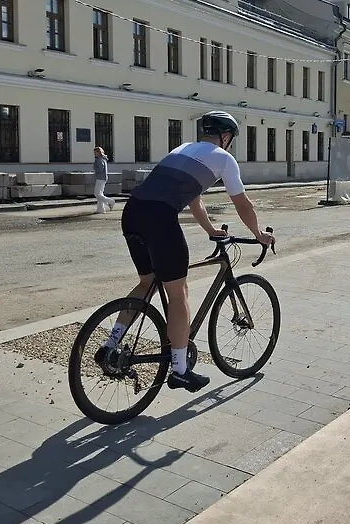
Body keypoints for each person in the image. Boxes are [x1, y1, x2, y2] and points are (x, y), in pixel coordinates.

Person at [99, 111, 274, 392]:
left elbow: (194, 199)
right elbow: (243, 204)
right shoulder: (223, 158)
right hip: (159, 218)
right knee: (178, 293)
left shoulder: (182, 149)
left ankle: (110, 345)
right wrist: (259, 234)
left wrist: (210, 229)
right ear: (226, 136)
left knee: (147, 282)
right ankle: (180, 370)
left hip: (132, 212)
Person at [93, 146, 117, 214]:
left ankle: (111, 201)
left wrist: (95, 167)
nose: (94, 154)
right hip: (103, 178)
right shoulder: (103, 159)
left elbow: (100, 169)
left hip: (100, 178)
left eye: (95, 152)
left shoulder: (99, 160)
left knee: (97, 194)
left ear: (99, 152)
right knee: (100, 194)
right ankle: (100, 209)